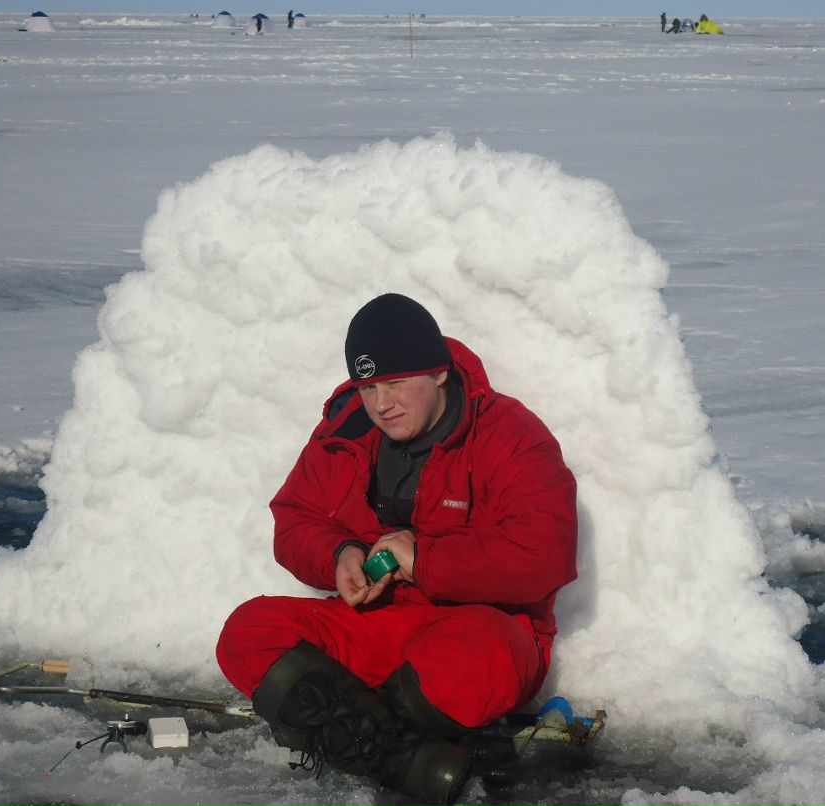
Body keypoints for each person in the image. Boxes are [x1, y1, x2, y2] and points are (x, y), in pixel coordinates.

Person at [216, 293, 578, 805]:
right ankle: (408, 758)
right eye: (367, 386)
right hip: (379, 622)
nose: (381, 403)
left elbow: (545, 555)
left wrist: (426, 560)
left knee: (469, 667)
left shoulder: (512, 436)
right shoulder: (346, 431)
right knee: (248, 633)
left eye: (395, 382)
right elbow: (294, 518)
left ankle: (345, 731)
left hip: (483, 626)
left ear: (438, 374)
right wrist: (338, 552)